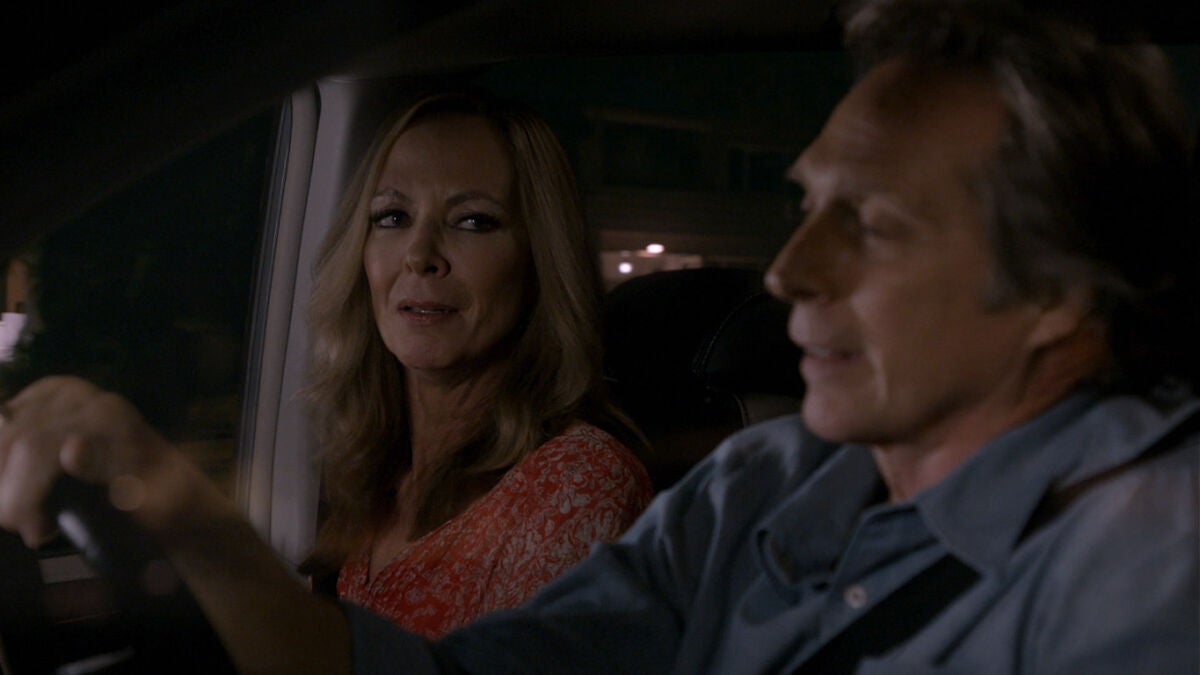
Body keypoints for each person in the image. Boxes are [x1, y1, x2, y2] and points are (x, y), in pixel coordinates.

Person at [0, 0, 1196, 673]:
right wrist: (187, 518)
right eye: (805, 207)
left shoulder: (1150, 564)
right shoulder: (760, 488)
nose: (790, 271)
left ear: (1056, 289)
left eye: (872, 224)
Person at [294, 89, 653, 637]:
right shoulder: (373, 469)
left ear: (539, 259)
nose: (419, 255)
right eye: (393, 216)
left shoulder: (578, 483)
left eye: (473, 222)